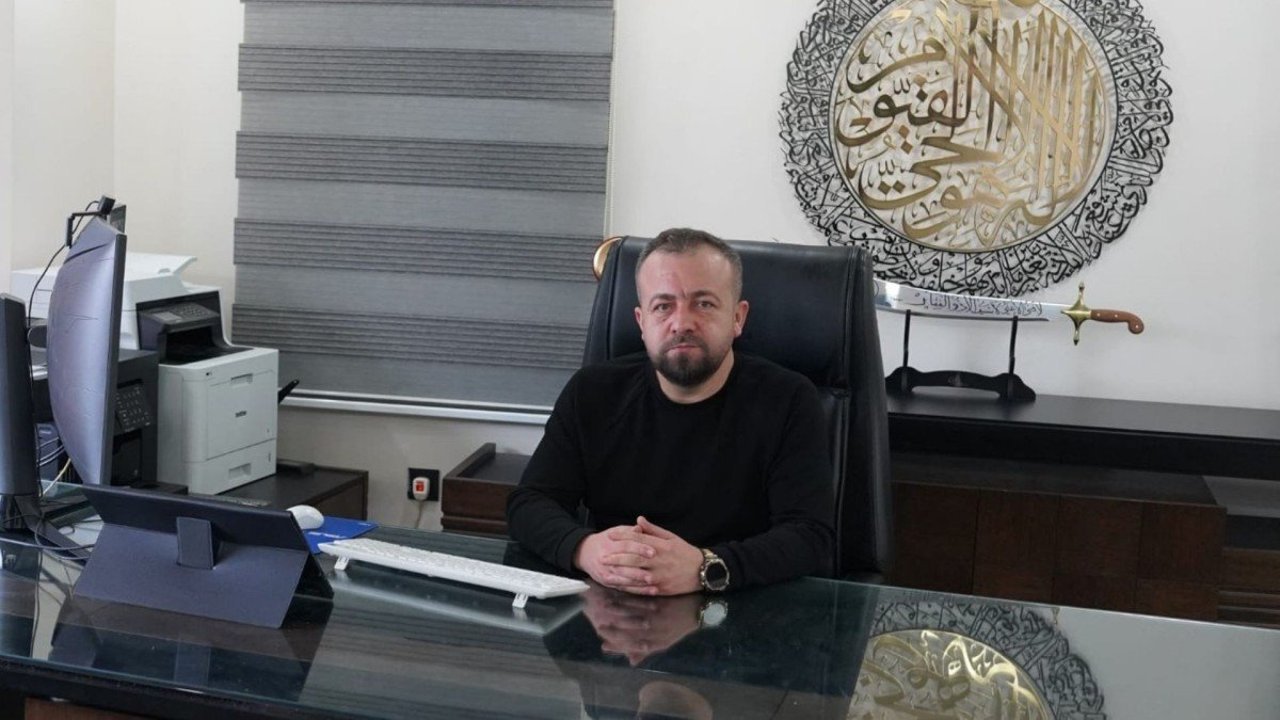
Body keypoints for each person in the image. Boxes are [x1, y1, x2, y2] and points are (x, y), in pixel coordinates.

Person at [506, 228, 834, 596]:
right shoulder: (592, 392)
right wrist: (585, 549)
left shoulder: (788, 400)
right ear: (641, 321)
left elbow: (810, 537)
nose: (682, 323)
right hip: (613, 604)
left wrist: (705, 567)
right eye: (663, 306)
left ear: (738, 318)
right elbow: (529, 504)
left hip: (740, 609)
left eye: (704, 303)